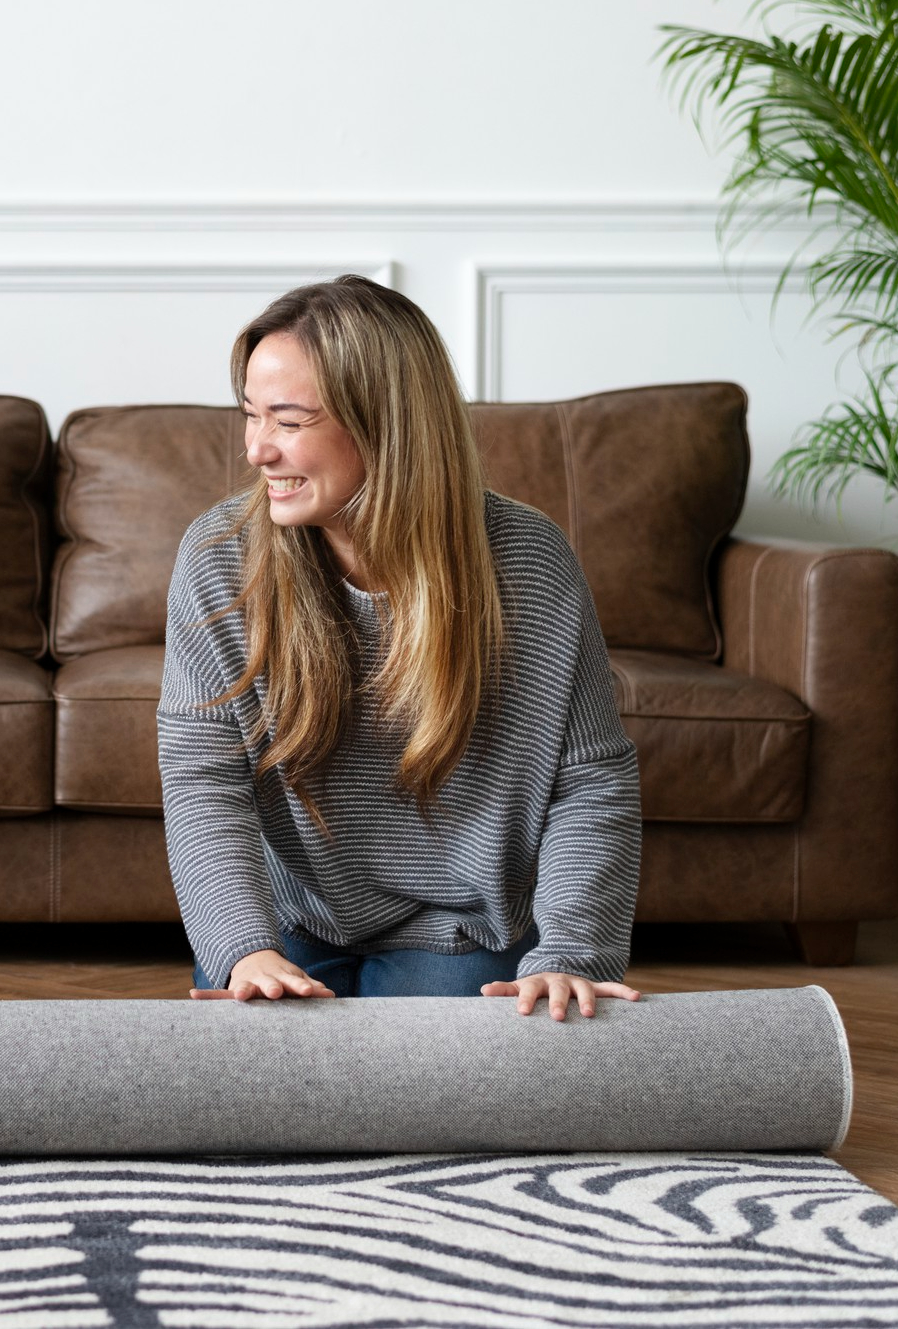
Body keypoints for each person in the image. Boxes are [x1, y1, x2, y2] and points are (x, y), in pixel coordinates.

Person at [159, 276, 643, 1019]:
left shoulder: (527, 561)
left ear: (383, 424)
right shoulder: (220, 552)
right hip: (292, 920)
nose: (256, 449)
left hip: (462, 930)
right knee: (263, 1105)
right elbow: (202, 776)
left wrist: (571, 952)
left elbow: (589, 780)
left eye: (287, 421)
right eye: (251, 415)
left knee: (447, 1102)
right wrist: (242, 947)